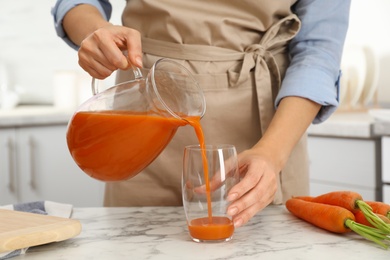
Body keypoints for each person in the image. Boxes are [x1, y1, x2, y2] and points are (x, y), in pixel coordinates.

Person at [52, 0, 351, 228]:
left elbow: (318, 52)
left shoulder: (270, 152)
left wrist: (271, 154)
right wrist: (95, 30)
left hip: (268, 139)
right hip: (144, 115)